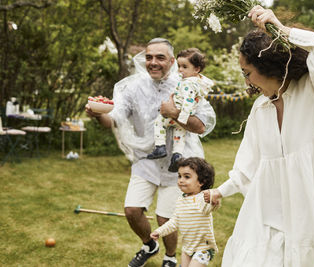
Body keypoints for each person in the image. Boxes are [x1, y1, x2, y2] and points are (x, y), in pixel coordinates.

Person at [206, 5, 314, 267]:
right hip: (270, 224)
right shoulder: (261, 109)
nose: (246, 82)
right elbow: (248, 166)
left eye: (247, 73)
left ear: (267, 65)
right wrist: (219, 192)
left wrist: (284, 31)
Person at [85, 38, 216, 267]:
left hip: (179, 164)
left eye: (160, 58)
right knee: (132, 210)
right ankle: (149, 245)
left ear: (173, 61)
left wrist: (174, 112)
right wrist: (98, 114)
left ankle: (170, 256)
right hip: (146, 159)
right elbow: (113, 120)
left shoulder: (187, 84)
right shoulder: (133, 87)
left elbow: (202, 126)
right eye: (149, 57)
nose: (153, 62)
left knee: (165, 218)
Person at [147, 48, 214, 172]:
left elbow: (188, 101)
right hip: (181, 119)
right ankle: (177, 156)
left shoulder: (189, 83)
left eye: (184, 67)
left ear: (196, 69)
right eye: (179, 66)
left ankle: (160, 147)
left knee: (159, 123)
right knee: (179, 135)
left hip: (180, 115)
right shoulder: (197, 83)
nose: (180, 70)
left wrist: (179, 116)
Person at [151, 157, 219, 267]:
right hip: (187, 248)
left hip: (203, 248)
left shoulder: (202, 198)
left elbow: (209, 207)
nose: (181, 180)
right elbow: (174, 222)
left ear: (201, 181)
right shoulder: (180, 201)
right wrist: (159, 232)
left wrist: (213, 201)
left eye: (186, 177)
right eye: (179, 176)